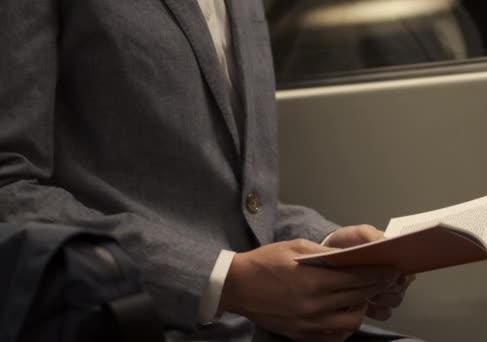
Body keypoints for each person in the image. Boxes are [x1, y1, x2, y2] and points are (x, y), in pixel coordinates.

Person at [0, 0, 422, 341]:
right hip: (136, 322)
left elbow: (233, 198)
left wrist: (330, 249)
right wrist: (221, 281)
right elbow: (9, 190)